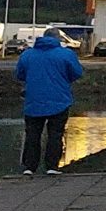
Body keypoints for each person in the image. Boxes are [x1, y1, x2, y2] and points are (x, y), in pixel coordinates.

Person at [14, 32, 84, 176]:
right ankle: (52, 166)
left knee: (32, 135)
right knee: (55, 134)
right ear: (57, 38)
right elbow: (77, 73)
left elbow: (19, 74)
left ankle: (29, 167)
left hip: (33, 100)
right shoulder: (66, 54)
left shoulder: (27, 55)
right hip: (59, 100)